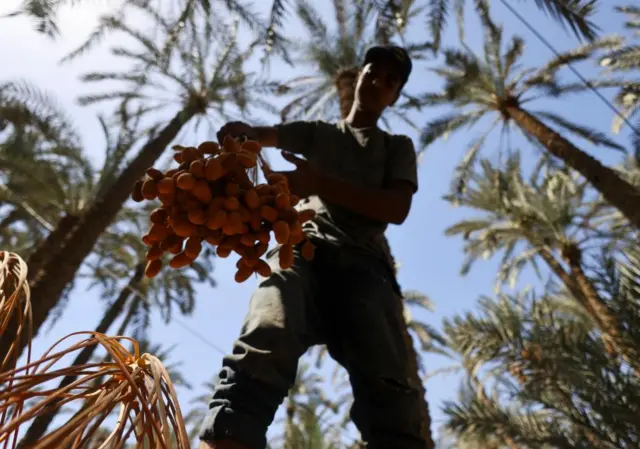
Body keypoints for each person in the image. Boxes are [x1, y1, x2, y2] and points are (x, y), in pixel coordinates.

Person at [198, 45, 429, 449]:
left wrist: (319, 183)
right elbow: (262, 137)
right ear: (359, 75)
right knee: (267, 332)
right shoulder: (319, 134)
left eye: (391, 82)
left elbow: (396, 208)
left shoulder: (396, 147)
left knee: (386, 380)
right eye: (374, 72)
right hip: (300, 250)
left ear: (395, 96)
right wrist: (242, 139)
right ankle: (228, 438)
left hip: (364, 266)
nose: (379, 82)